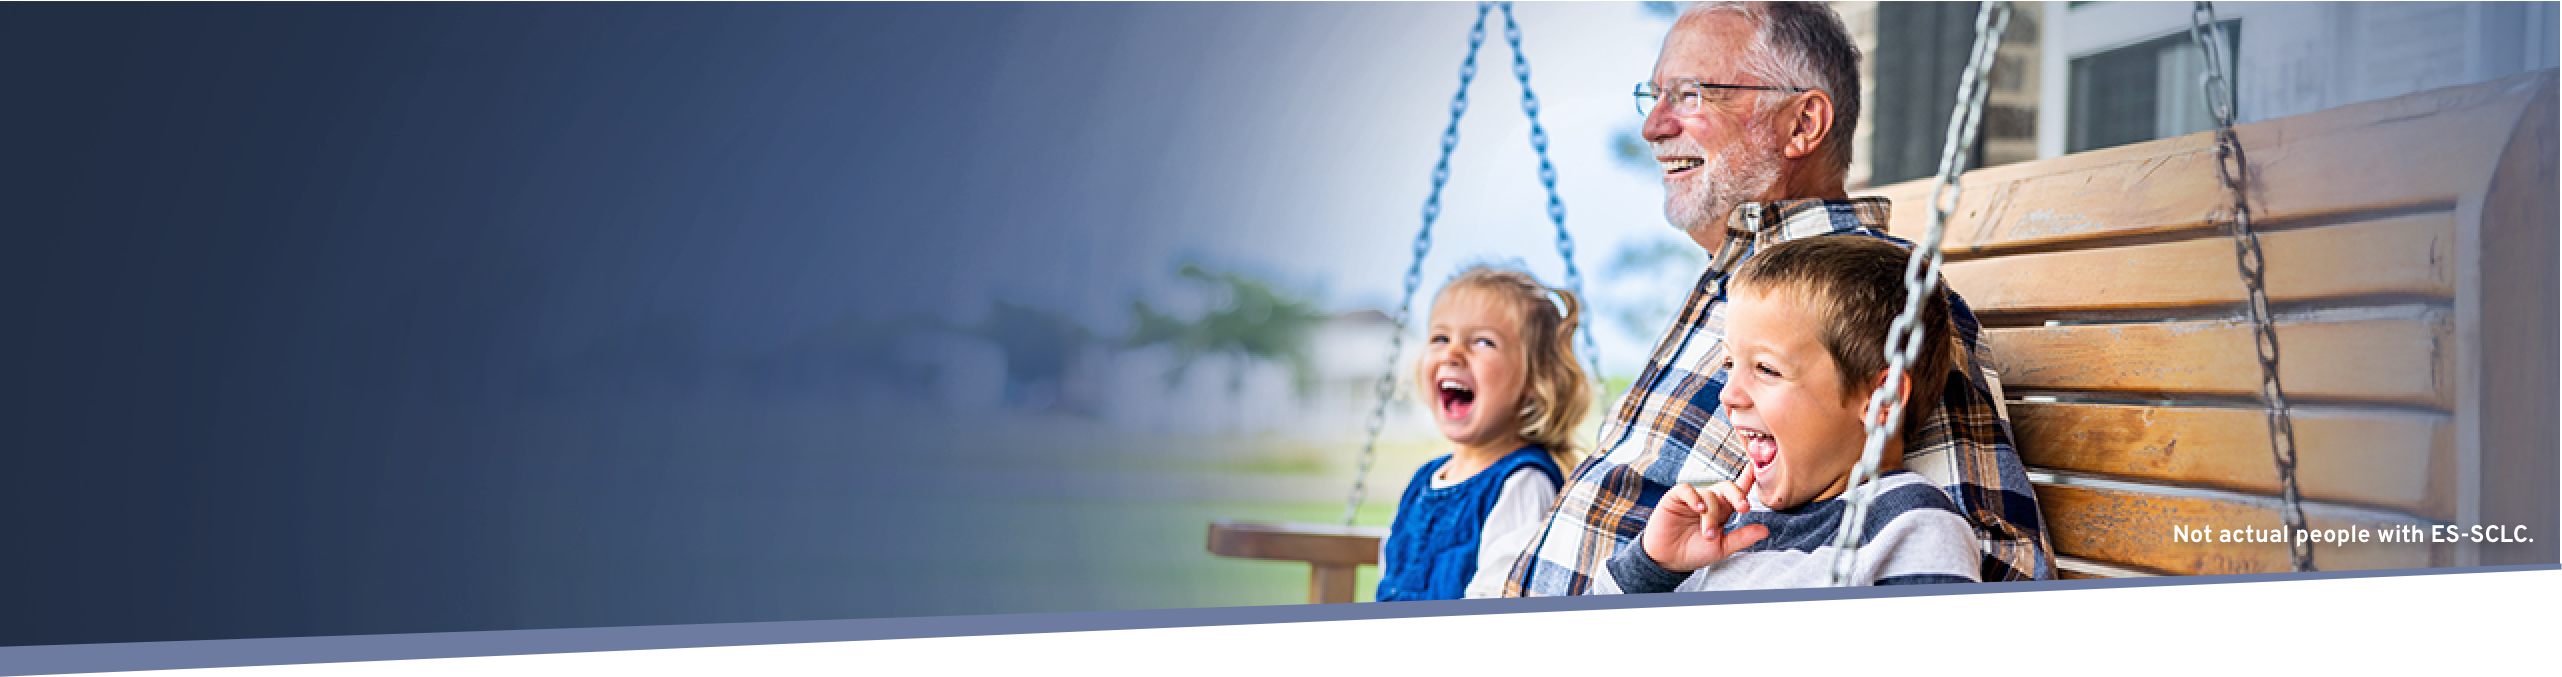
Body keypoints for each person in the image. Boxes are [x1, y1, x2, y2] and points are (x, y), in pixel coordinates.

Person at [1499, 1, 2053, 596]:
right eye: (1654, 95)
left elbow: (1996, 562)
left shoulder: (1865, 301)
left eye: (1689, 94)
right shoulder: (1741, 287)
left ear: (1802, 123)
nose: (1652, 126)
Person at [1611, 236, 1978, 591]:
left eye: (1767, 370)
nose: (1728, 395)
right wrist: (1652, 567)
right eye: (1728, 364)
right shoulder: (1725, 525)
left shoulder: (1909, 526)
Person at [1375, 266, 1591, 601]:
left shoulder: (1523, 484)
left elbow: (1499, 594)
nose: (1452, 353)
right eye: (1440, 338)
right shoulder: (1425, 480)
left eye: (1482, 341)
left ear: (1535, 382)